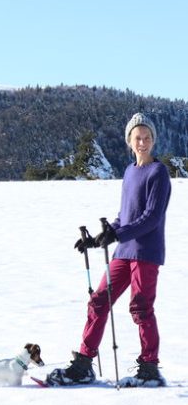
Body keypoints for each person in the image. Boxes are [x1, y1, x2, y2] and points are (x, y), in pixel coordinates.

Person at [46, 113, 171, 387]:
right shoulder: (129, 171)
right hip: (124, 252)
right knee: (99, 300)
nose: (143, 142)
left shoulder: (158, 173)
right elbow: (124, 216)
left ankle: (149, 368)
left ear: (153, 140)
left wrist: (118, 232)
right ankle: (83, 363)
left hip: (147, 253)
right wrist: (101, 237)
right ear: (129, 141)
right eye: (138, 137)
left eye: (147, 137)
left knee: (141, 308)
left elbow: (151, 217)